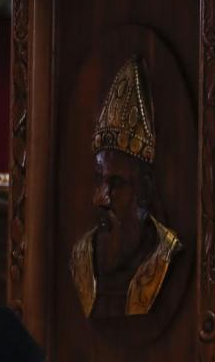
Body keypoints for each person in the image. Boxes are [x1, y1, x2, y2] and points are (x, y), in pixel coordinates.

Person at [71, 55, 182, 318]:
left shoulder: (164, 256)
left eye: (116, 183)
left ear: (144, 190)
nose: (101, 198)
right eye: (99, 179)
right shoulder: (82, 256)